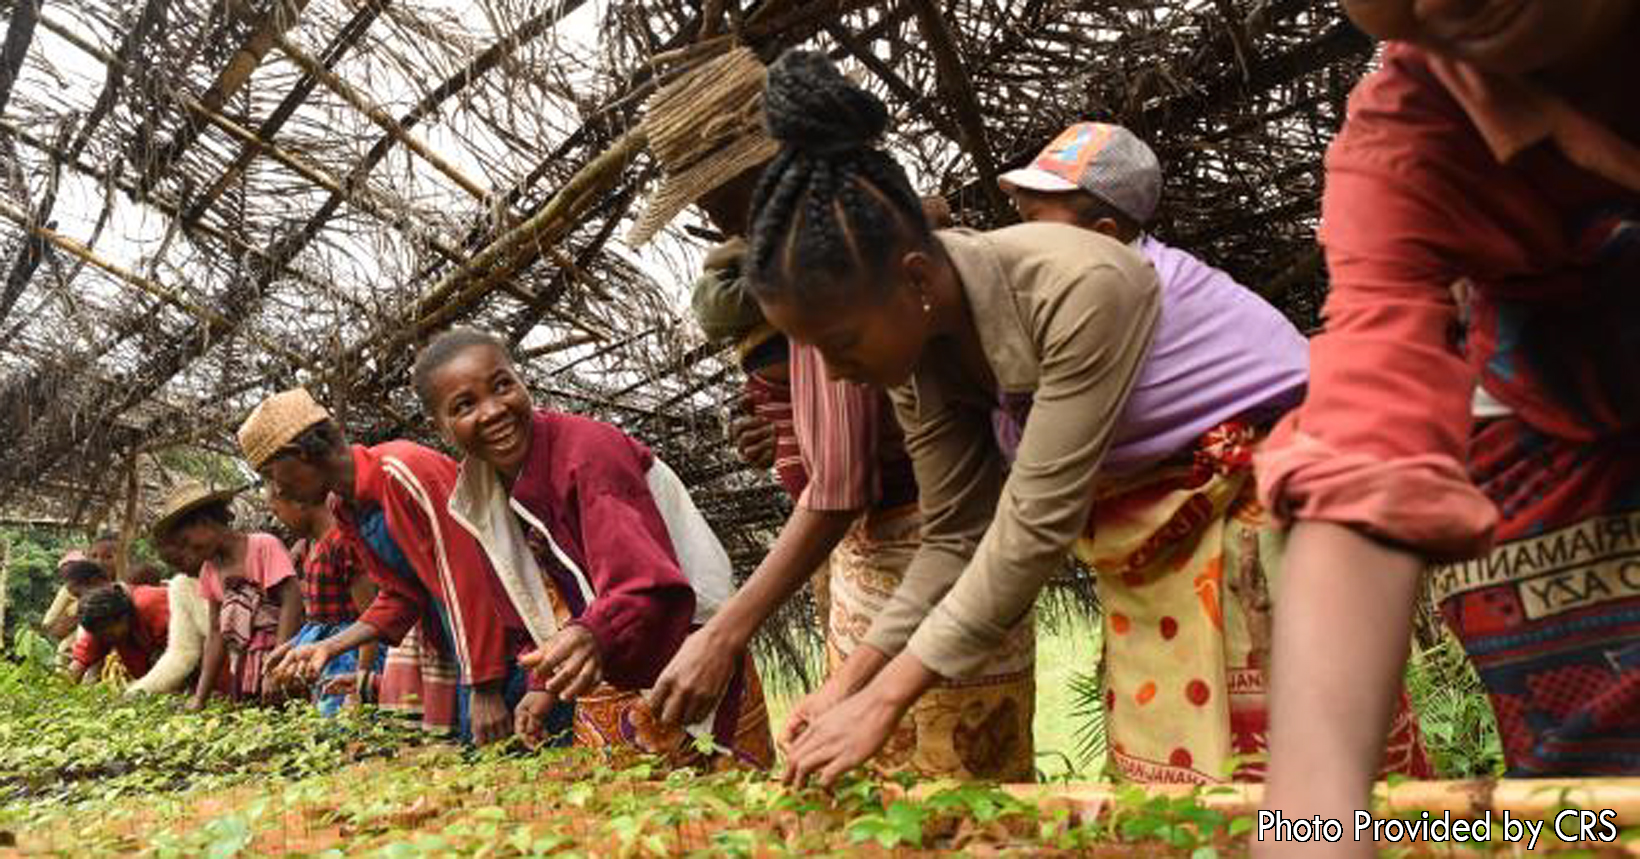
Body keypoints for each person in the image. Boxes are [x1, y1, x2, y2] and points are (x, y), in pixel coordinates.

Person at [736, 49, 1420, 788]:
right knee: (1181, 786)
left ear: (914, 279)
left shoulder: (1083, 284)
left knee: (1298, 776)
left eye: (840, 345)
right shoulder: (916, 357)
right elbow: (957, 535)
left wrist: (890, 697)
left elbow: (1035, 522)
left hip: (1270, 503)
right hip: (1155, 544)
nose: (836, 374)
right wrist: (850, 683)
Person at [1251, 1, 1640, 852]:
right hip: (1551, 427)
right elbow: (1364, 452)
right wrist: (1313, 825)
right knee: (1594, 783)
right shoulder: (1412, 139)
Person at [638, 48, 1036, 781]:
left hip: (918, 549)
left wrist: (727, 630)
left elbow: (843, 479)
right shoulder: (829, 270)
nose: (707, 214)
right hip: (898, 557)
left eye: (713, 192)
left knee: (942, 798)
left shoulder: (840, 278)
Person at [412, 327, 772, 766]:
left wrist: (591, 633)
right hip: (611, 658)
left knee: (735, 807)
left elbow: (645, 582)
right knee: (637, 820)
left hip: (689, 643)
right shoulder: (480, 494)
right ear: (441, 427)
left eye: (502, 385)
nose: (493, 411)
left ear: (521, 381)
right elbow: (529, 600)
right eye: (464, 406)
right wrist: (542, 683)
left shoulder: (587, 452)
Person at [241, 388, 564, 746]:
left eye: (271, 475)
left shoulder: (402, 471)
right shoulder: (345, 507)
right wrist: (329, 647)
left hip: (516, 643)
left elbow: (467, 577)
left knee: (545, 759)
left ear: (298, 455)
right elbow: (400, 595)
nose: (277, 490)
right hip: (466, 655)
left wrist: (484, 687)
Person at [151, 482, 303, 709]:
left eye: (187, 542)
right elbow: (216, 633)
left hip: (289, 656)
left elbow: (292, 603)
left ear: (204, 523)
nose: (188, 553)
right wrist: (200, 698)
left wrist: (277, 667)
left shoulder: (263, 546)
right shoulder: (209, 571)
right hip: (247, 668)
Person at [268, 488, 382, 716]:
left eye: (276, 510)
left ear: (298, 503)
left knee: (346, 727)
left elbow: (371, 620)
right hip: (327, 658)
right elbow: (320, 623)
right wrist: (286, 648)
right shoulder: (313, 546)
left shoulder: (340, 541)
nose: (275, 520)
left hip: (350, 657)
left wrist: (360, 684)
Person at [125, 529, 230, 697]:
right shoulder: (182, 585)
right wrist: (138, 691)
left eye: (182, 559)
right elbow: (182, 653)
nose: (183, 569)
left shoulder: (245, 561)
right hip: (230, 686)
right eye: (174, 564)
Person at [68, 583, 169, 684]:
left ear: (122, 617)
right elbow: (79, 663)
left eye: (108, 634)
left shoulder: (151, 605)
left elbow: (180, 648)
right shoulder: (99, 626)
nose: (106, 638)